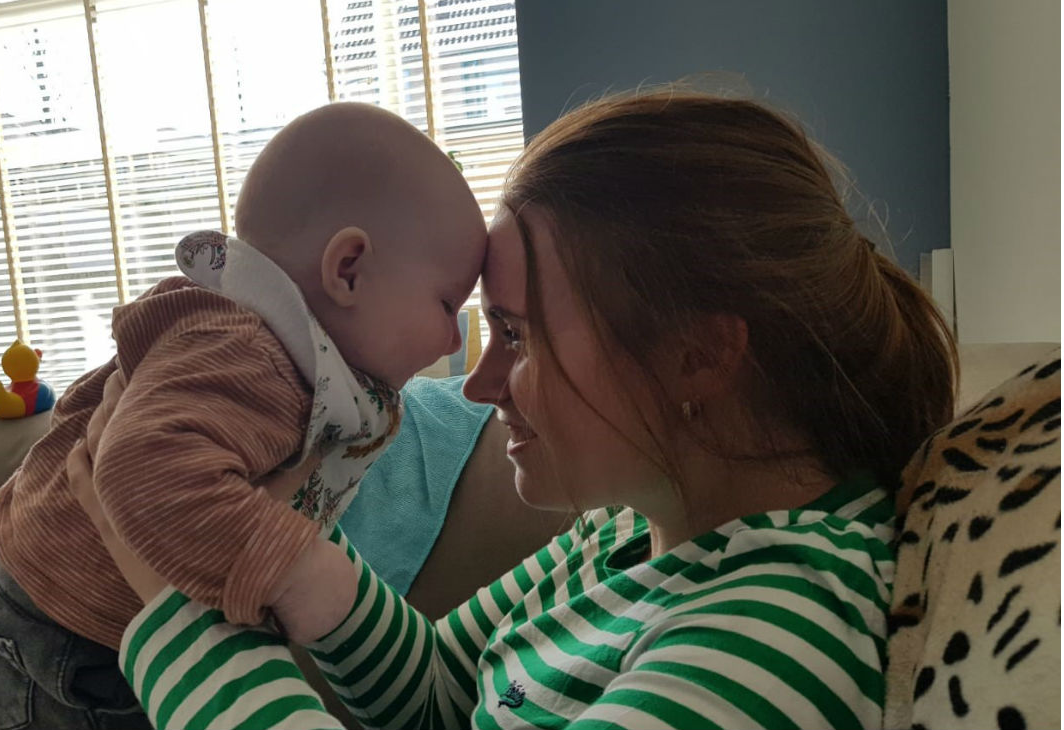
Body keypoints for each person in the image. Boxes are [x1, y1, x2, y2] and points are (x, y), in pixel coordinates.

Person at [75, 87, 958, 729]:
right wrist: (293, 551)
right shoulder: (627, 531)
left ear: (697, 357)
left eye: (516, 335)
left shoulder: (773, 630)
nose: (478, 383)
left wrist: (175, 614)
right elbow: (437, 697)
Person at [0, 102, 488, 729]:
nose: (453, 339)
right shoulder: (246, 351)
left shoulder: (290, 360)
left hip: (88, 617)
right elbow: (140, 471)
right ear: (348, 269)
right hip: (64, 625)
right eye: (447, 303)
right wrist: (292, 567)